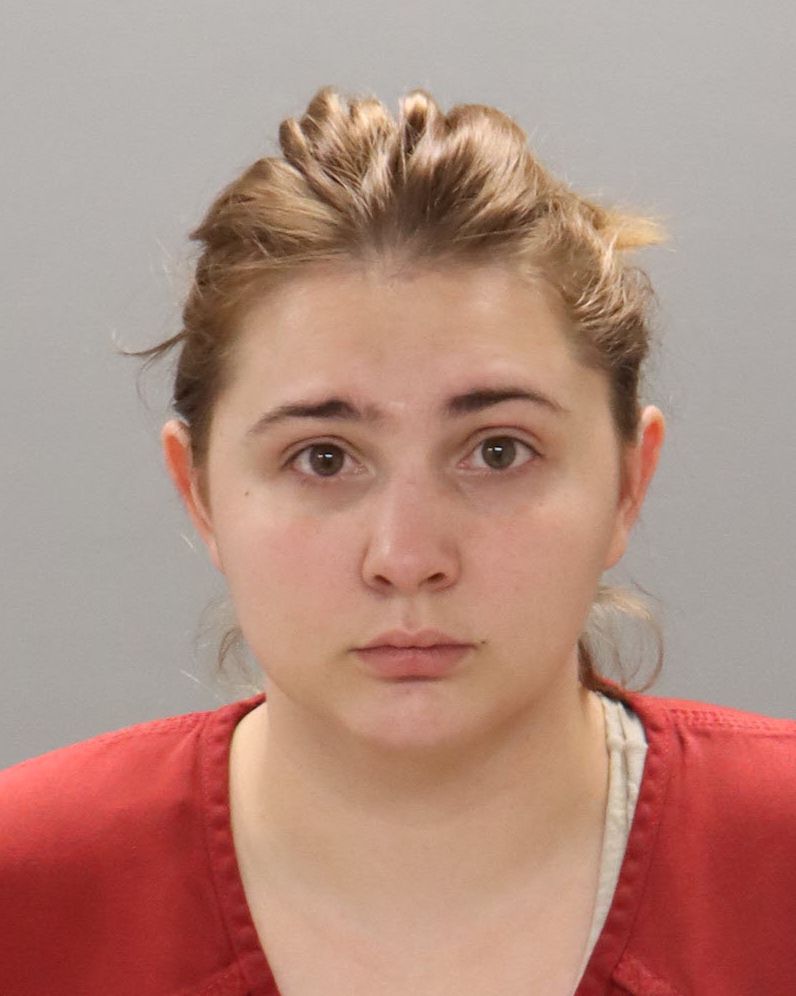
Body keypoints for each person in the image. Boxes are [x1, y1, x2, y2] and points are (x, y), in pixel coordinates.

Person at [1, 85, 794, 996]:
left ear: (629, 482)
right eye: (323, 458)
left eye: (498, 451)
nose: (408, 557)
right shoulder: (25, 890)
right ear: (201, 494)